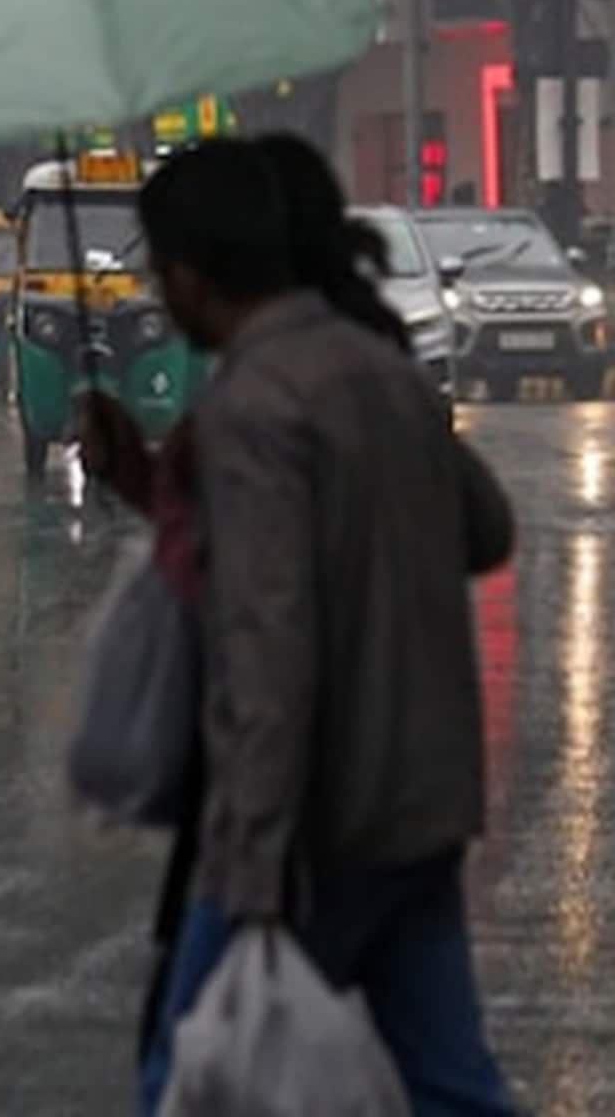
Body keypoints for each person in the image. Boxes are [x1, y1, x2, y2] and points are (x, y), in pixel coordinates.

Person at [120, 141, 516, 1114]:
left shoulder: (253, 407)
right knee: (448, 1084)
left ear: (189, 276)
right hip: (420, 799)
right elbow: (480, 527)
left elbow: (269, 643)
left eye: (154, 270)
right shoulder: (376, 372)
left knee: (183, 1073)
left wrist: (250, 864)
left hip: (310, 830)